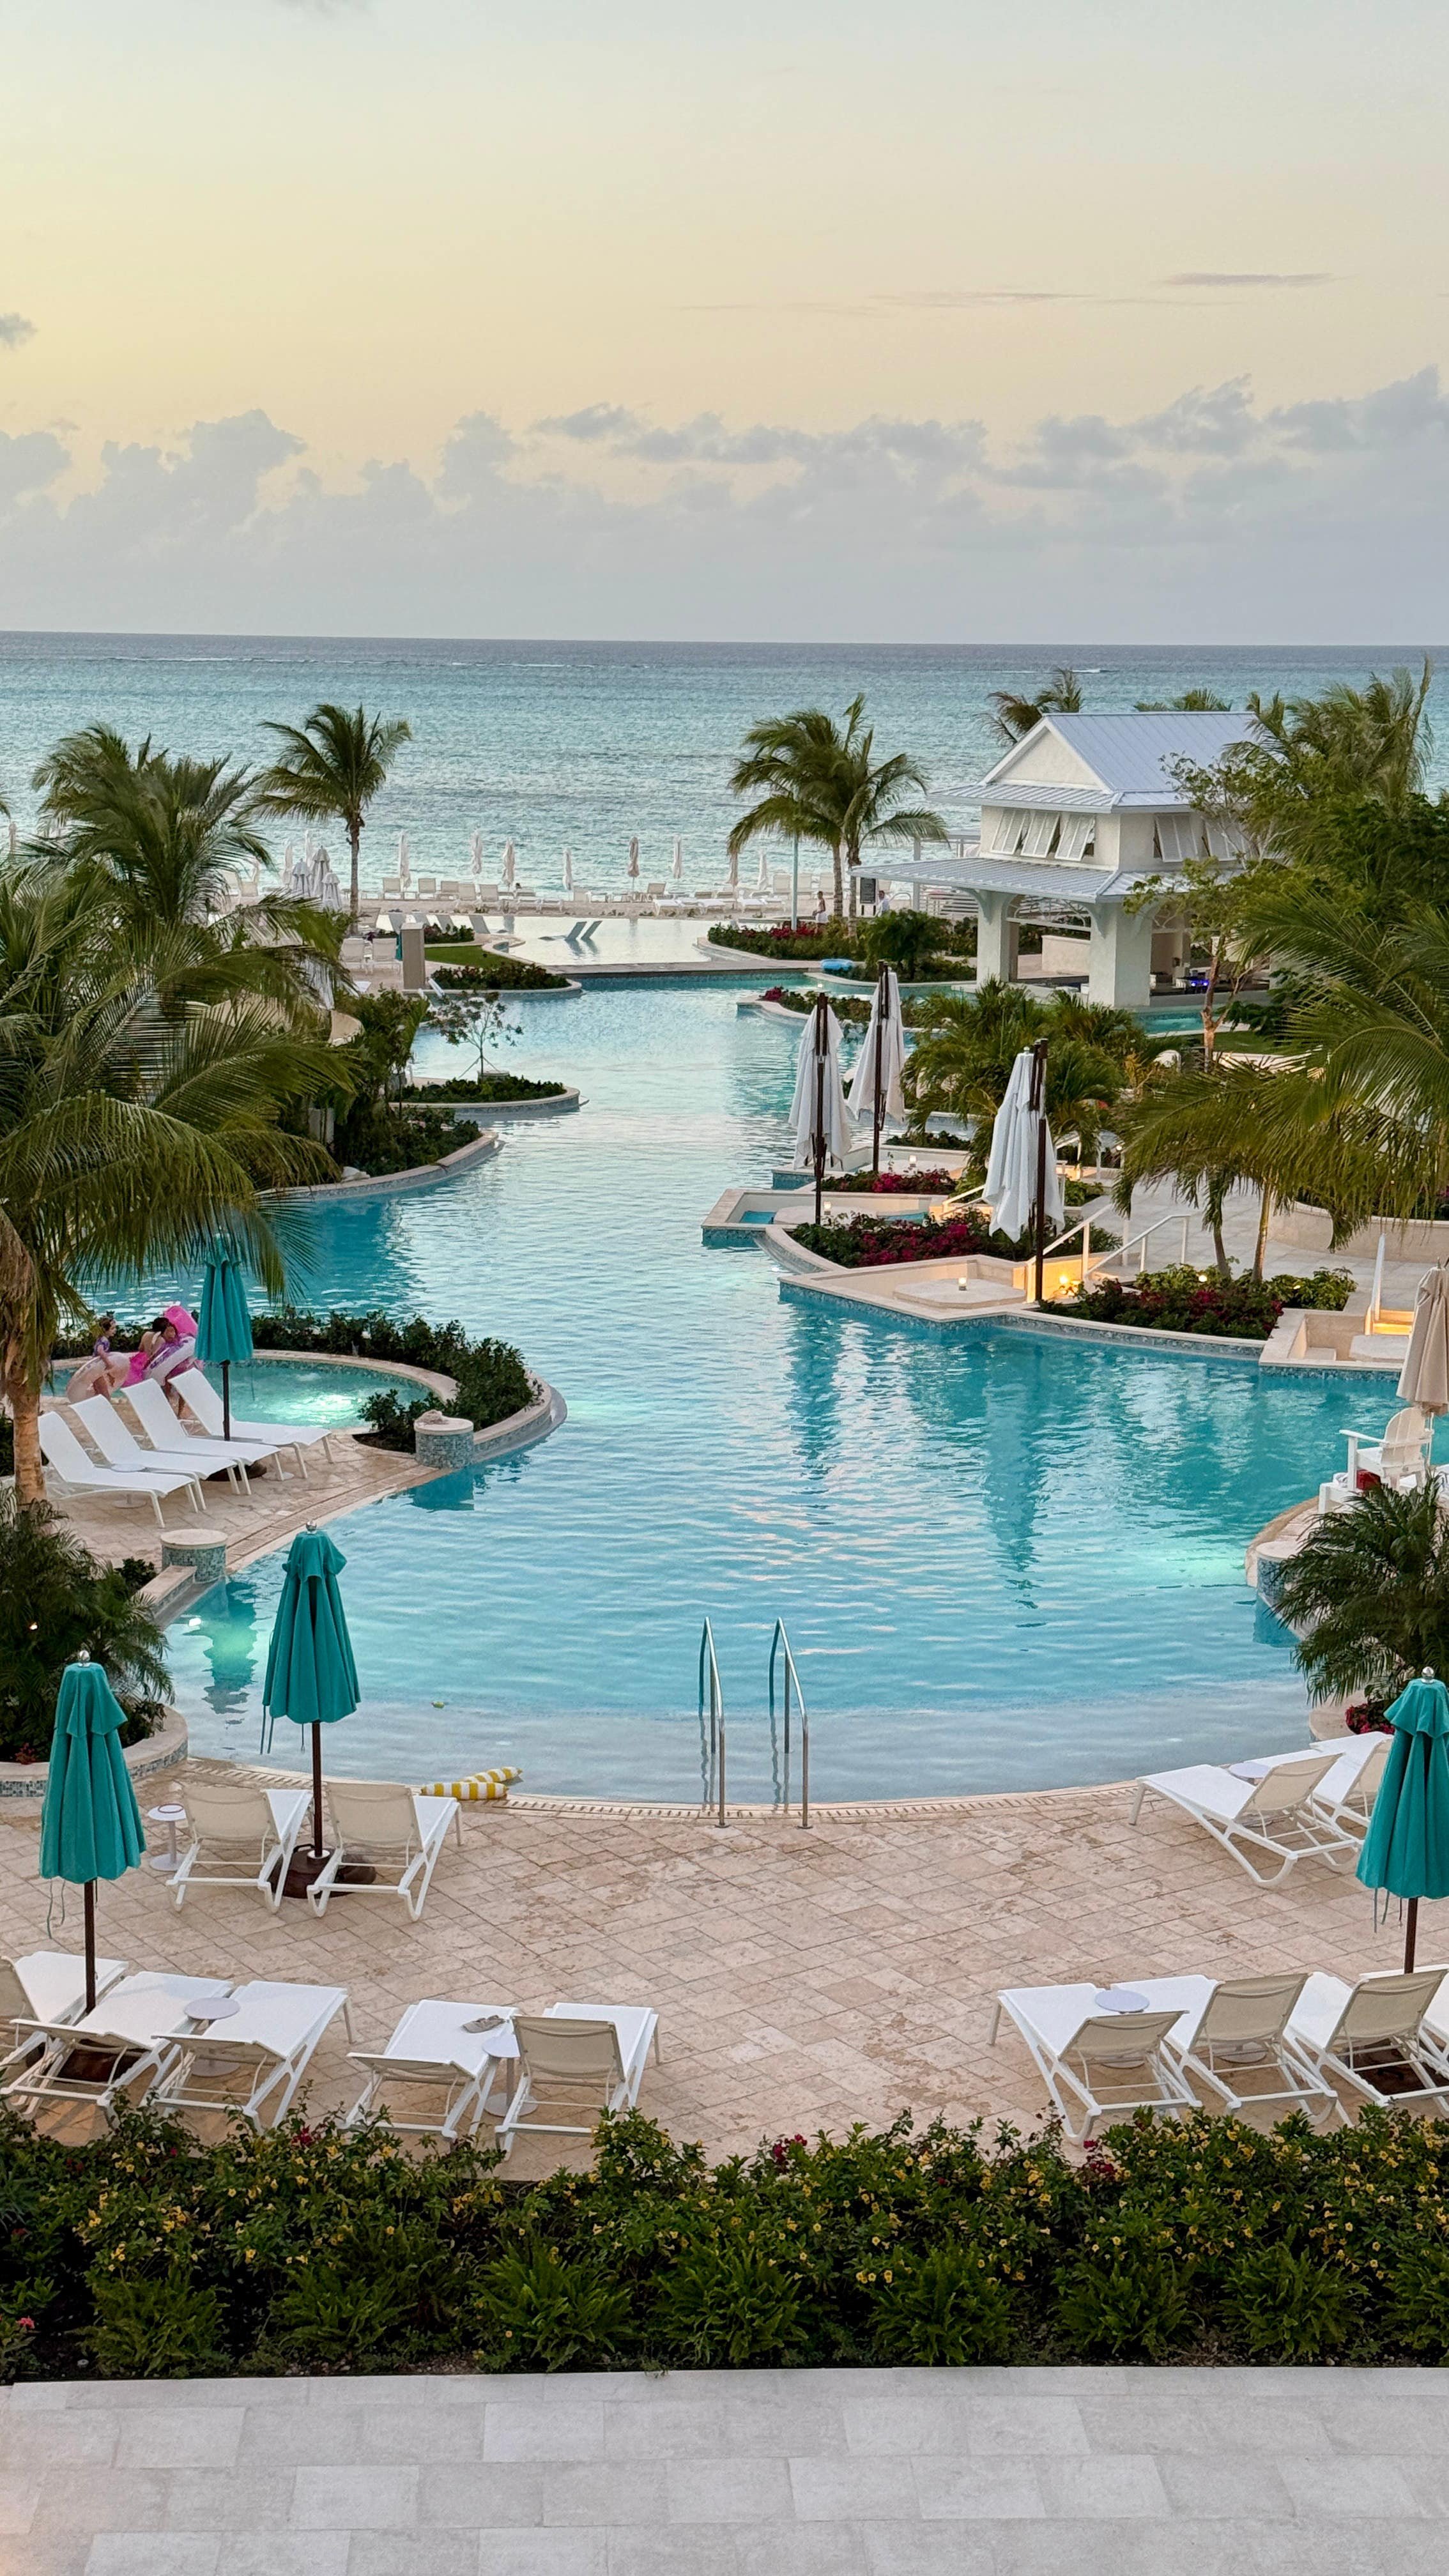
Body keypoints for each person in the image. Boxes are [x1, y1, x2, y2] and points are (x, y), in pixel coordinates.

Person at [65, 1315, 128, 1401]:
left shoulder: (100, 1339)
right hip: (96, 1371)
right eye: (113, 1328)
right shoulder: (104, 1340)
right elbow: (100, 1351)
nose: (115, 1330)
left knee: (98, 1392)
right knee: (105, 1396)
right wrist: (108, 1363)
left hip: (96, 1370)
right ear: (105, 1330)